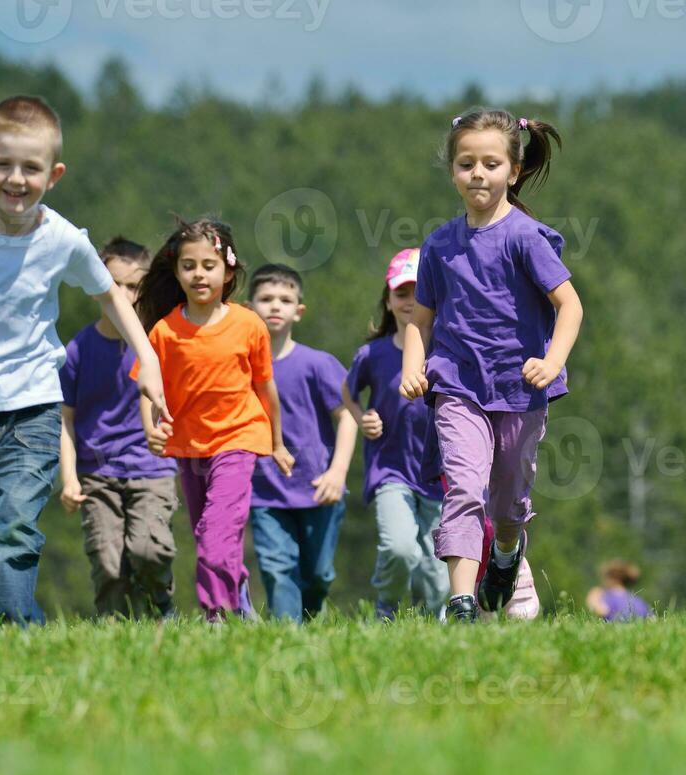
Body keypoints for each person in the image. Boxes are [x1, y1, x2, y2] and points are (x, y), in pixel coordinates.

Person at [0, 95, 166, 624]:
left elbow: (111, 295)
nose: (16, 179)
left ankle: (10, 634)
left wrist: (149, 361)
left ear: (55, 173)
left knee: (16, 526)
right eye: (4, 165)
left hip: (33, 408)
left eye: (31, 168)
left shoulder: (63, 239)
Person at [400, 108, 584, 623]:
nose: (477, 174)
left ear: (513, 170)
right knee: (462, 486)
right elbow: (421, 318)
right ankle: (460, 599)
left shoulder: (525, 237)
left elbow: (570, 306)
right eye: (466, 164)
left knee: (508, 500)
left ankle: (506, 551)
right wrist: (412, 367)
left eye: (490, 163)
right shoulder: (438, 244)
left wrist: (552, 362)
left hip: (521, 389)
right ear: (453, 171)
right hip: (457, 383)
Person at [131, 218, 293, 622]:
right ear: (176, 271)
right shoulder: (165, 331)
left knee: (216, 535)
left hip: (239, 440)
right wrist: (151, 428)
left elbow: (265, 388)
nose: (199, 274)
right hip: (189, 445)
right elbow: (148, 387)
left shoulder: (248, 324)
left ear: (229, 270)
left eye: (209, 265)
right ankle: (237, 594)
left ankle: (215, 616)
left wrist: (277, 443)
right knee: (208, 532)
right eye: (189, 265)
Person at [58, 236, 180, 618]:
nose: (123, 295)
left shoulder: (157, 345)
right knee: (109, 568)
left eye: (133, 286)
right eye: (114, 284)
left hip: (152, 470)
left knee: (148, 550)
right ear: (96, 287)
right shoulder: (77, 350)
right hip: (97, 475)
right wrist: (69, 478)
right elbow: (65, 418)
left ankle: (161, 607)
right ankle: (115, 637)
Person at [342, 248, 450, 620]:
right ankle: (387, 605)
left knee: (440, 569)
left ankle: (439, 625)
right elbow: (348, 392)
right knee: (401, 547)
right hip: (391, 471)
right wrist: (361, 417)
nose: (410, 302)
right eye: (402, 293)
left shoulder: (446, 350)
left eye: (419, 293)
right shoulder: (373, 355)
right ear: (388, 300)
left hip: (440, 474)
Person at [246, 264, 357, 622]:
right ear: (249, 308)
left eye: (285, 299)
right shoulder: (240, 368)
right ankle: (285, 640)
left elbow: (348, 417)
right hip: (263, 492)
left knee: (319, 575)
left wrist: (337, 473)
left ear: (299, 310)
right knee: (279, 571)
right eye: (265, 299)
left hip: (318, 488)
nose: (275, 306)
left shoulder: (319, 364)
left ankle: (309, 626)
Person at [586, 560, 650, 621]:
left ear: (609, 577)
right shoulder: (638, 600)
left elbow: (599, 610)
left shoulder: (604, 596)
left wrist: (594, 594)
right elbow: (652, 619)